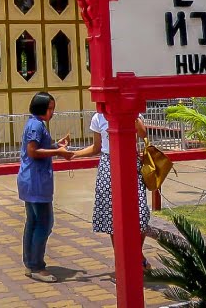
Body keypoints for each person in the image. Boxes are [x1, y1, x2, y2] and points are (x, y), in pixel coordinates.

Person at [72, 111, 152, 269]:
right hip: (108, 165)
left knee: (141, 215)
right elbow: (97, 147)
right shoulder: (98, 118)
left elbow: (144, 135)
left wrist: (133, 116)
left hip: (131, 161)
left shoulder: (135, 115)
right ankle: (122, 260)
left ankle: (136, 252)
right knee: (112, 216)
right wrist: (75, 153)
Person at [17, 92, 73, 282]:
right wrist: (58, 151)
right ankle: (37, 266)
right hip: (36, 182)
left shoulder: (35, 124)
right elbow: (32, 151)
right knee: (44, 223)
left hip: (31, 180)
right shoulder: (36, 126)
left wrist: (58, 145)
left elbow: (42, 146)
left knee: (33, 222)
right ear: (41, 107)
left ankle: (30, 263)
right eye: (50, 108)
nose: (52, 112)